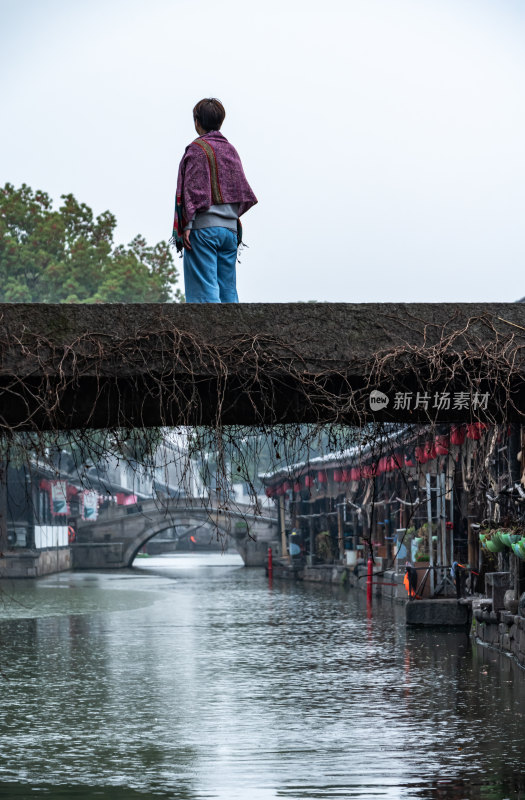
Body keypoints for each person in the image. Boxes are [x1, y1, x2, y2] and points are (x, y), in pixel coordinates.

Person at [171, 98, 257, 303]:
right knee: (228, 293)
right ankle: (234, 334)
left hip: (203, 230)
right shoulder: (230, 150)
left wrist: (188, 225)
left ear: (197, 122)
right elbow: (240, 188)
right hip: (230, 231)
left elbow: (192, 190)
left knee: (204, 295)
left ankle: (208, 336)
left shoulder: (197, 149)